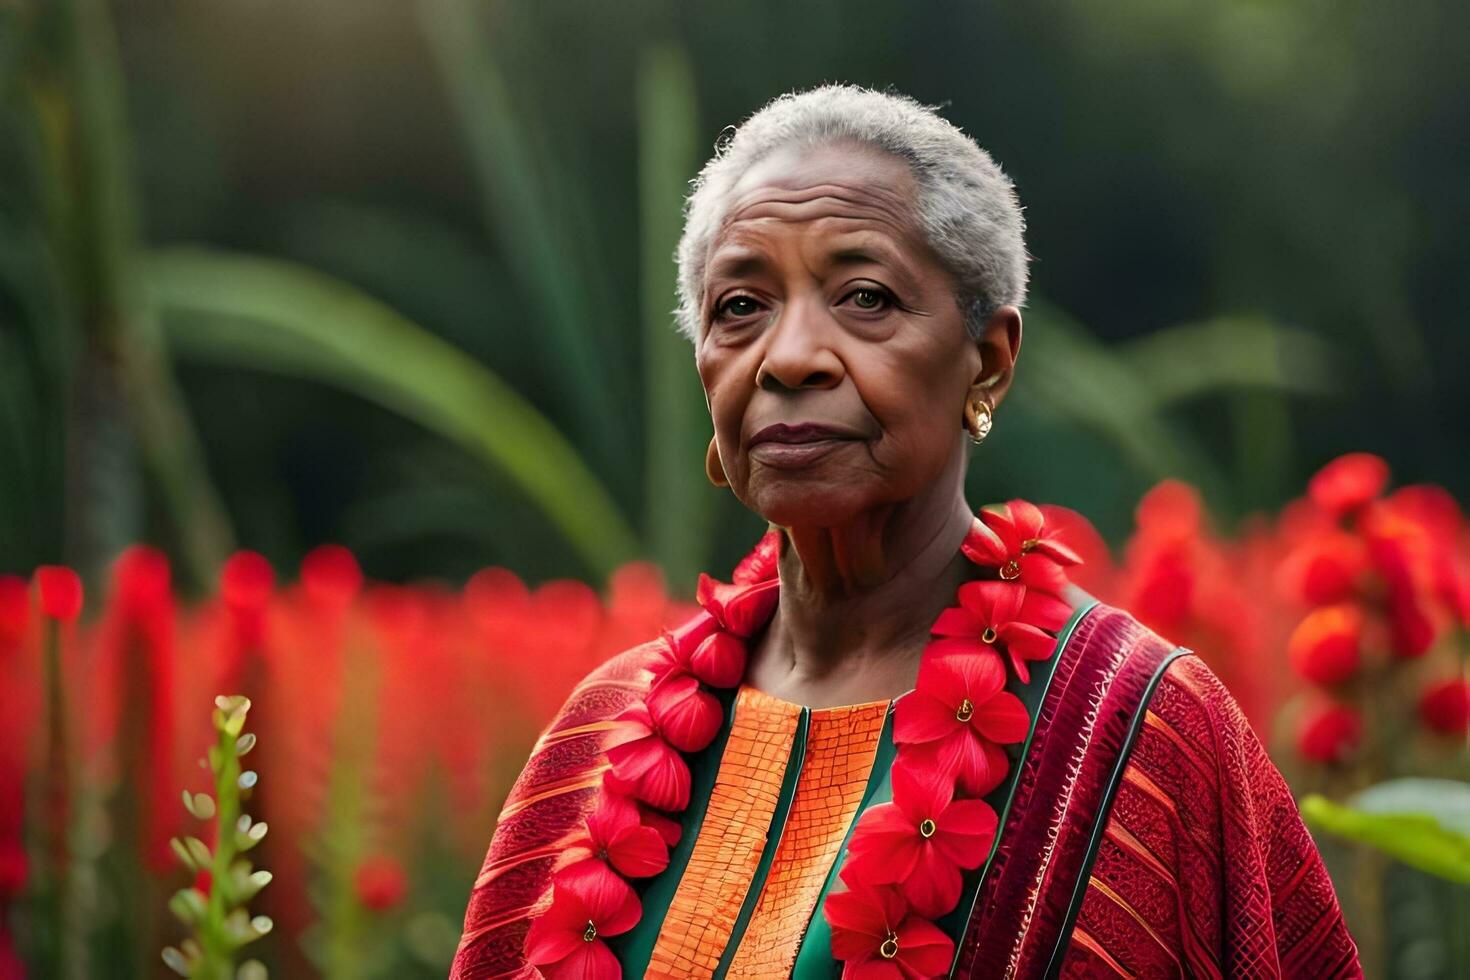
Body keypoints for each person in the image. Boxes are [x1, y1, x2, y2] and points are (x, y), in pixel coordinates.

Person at [450, 84, 1361, 979]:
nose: (791, 356)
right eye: (740, 307)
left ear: (989, 364)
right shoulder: (597, 736)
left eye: (866, 297)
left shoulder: (1140, 729)